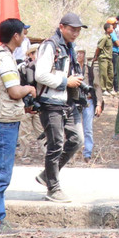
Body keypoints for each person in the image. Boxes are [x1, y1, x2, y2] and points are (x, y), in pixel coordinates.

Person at [0, 18, 36, 233]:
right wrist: (29, 89)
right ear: (16, 36)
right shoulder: (5, 59)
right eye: (23, 33)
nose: (24, 37)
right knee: (0, 174)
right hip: (3, 123)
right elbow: (14, 91)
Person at [34, 12, 85, 202]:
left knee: (77, 139)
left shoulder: (70, 47)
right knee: (55, 145)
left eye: (78, 30)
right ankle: (53, 188)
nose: (75, 33)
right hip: (51, 102)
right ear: (62, 27)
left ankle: (47, 175)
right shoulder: (51, 45)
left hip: (68, 102)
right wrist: (66, 81)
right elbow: (41, 75)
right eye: (72, 29)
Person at [75, 50, 103, 162]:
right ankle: (73, 152)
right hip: (75, 101)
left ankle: (87, 153)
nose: (79, 55)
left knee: (88, 129)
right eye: (77, 53)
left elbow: (97, 87)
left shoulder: (90, 70)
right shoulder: (71, 69)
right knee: (74, 128)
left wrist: (99, 104)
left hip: (88, 101)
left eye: (81, 53)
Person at [94, 23, 115, 95]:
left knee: (110, 74)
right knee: (103, 74)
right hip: (103, 58)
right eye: (112, 27)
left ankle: (109, 89)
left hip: (109, 58)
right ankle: (103, 89)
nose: (113, 29)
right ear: (108, 29)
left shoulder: (110, 38)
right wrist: (96, 57)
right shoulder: (104, 38)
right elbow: (98, 48)